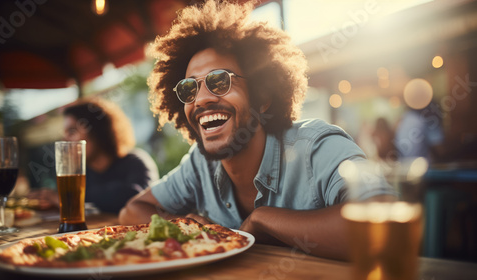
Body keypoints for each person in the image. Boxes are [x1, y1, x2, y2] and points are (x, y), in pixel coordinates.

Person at [119, 0, 395, 260]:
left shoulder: (316, 146)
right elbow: (132, 211)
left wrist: (263, 219)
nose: (200, 99)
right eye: (189, 89)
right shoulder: (199, 164)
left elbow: (383, 222)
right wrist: (180, 227)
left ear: (262, 99)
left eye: (219, 81)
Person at [31, 98, 159, 214]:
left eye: (72, 131)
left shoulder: (136, 161)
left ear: (98, 130)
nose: (65, 140)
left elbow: (136, 196)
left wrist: (70, 197)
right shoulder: (82, 173)